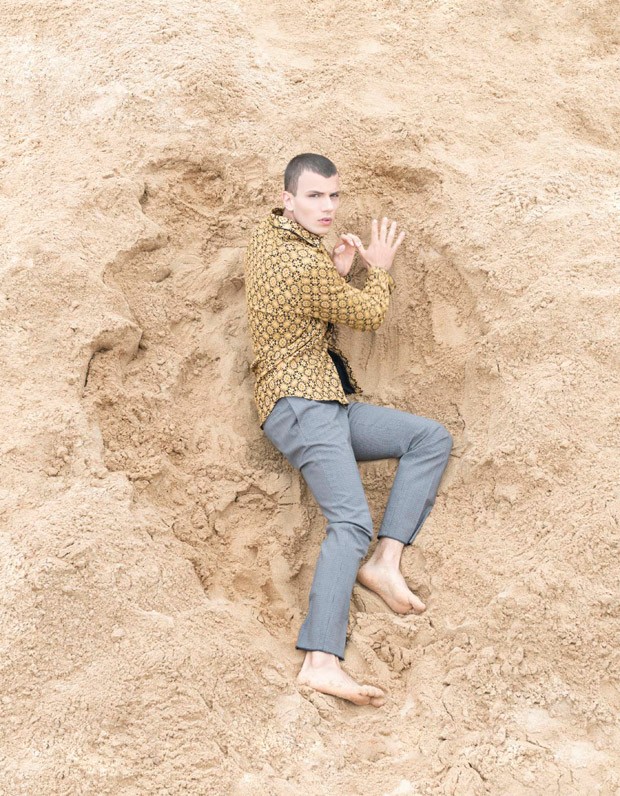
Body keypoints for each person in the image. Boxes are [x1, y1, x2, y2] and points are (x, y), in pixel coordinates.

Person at [243, 153, 452, 707]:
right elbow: (367, 315)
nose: (328, 207)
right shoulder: (298, 262)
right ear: (288, 198)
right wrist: (376, 269)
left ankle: (385, 563)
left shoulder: (271, 237)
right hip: (300, 404)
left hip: (325, 402)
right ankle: (320, 661)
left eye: (334, 195)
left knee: (428, 438)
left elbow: (299, 310)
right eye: (315, 196)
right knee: (351, 523)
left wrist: (334, 272)